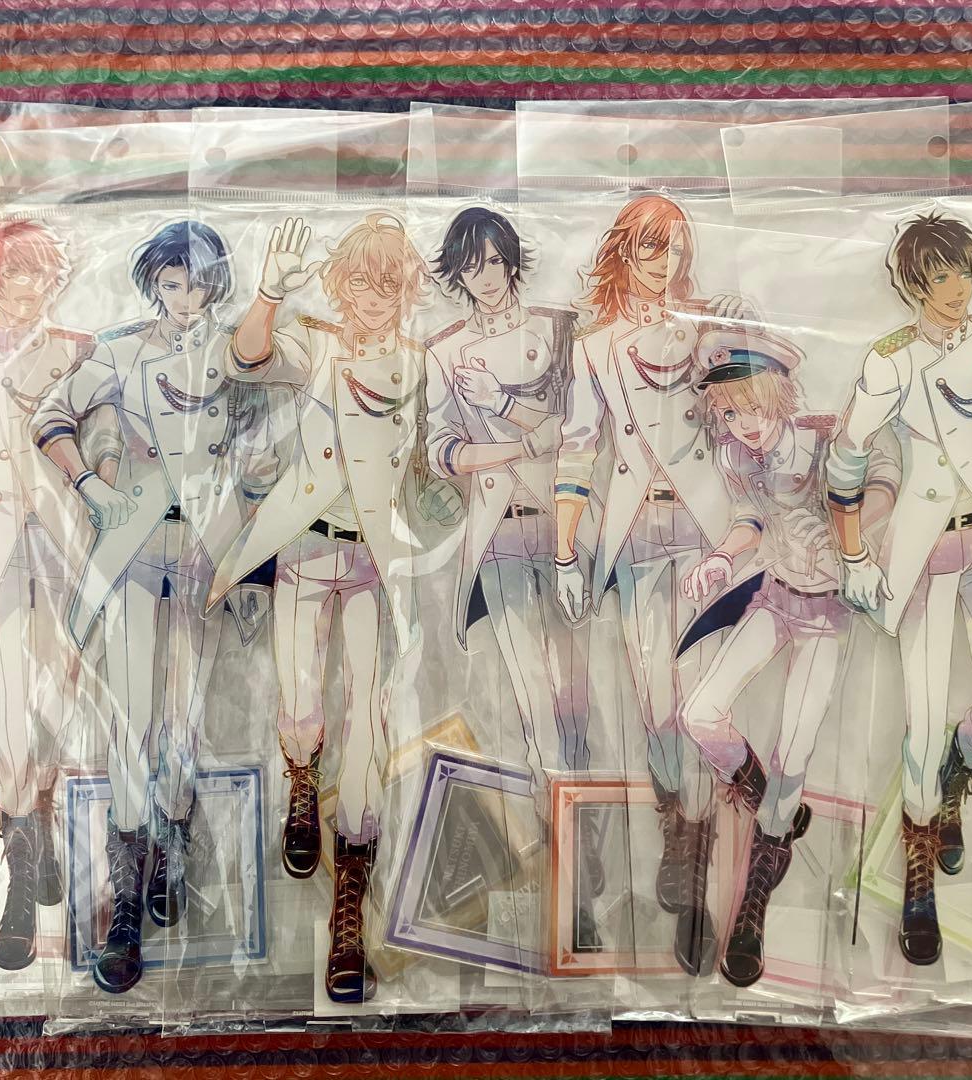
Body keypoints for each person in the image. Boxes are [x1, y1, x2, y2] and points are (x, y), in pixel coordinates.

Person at [210, 213, 458, 1004]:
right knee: (300, 697)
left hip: (377, 561)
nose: (374, 296)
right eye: (360, 280)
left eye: (388, 283)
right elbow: (248, 359)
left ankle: (352, 877)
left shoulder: (419, 362)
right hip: (306, 547)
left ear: (405, 289)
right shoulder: (316, 346)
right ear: (338, 283)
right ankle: (300, 777)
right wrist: (266, 296)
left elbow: (432, 458)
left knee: (370, 721)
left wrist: (449, 499)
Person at [32, 220, 274, 993]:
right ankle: (127, 900)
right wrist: (88, 486)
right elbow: (49, 416)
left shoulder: (237, 354)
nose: (185, 298)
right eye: (171, 284)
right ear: (153, 286)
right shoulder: (121, 350)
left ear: (215, 286)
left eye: (197, 284)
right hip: (135, 551)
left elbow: (262, 463)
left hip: (206, 554)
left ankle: (172, 842)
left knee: (185, 715)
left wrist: (252, 564)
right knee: (131, 719)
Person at [552, 194, 752, 974]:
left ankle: (698, 842)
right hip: (635, 530)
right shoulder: (595, 344)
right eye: (651, 250)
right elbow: (578, 449)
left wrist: (737, 342)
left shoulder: (705, 328)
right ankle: (678, 817)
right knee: (653, 694)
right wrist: (564, 553)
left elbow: (745, 411)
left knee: (701, 691)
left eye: (676, 251)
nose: (666, 265)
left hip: (706, 527)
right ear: (623, 253)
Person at [825, 211, 972, 966]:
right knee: (925, 714)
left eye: (963, 272)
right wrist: (852, 552)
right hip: (926, 550)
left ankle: (951, 780)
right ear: (913, 283)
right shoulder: (892, 360)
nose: (956, 288)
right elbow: (846, 455)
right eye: (939, 276)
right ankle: (918, 869)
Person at [680, 325, 898, 986]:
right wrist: (721, 559)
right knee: (699, 714)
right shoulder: (735, 456)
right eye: (729, 414)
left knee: (794, 750)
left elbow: (881, 482)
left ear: (779, 393)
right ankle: (767, 799)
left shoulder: (826, 438)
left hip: (827, 616)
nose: (742, 425)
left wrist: (853, 529)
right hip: (773, 599)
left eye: (751, 407)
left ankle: (757, 889)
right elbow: (749, 519)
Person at [0, 218, 120, 971]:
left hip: (68, 551)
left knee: (58, 704)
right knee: (10, 710)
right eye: (16, 273)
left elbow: (109, 436)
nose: (30, 287)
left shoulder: (78, 351)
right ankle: (21, 868)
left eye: (41, 272)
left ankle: (37, 823)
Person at [424, 206, 591, 786]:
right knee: (530, 683)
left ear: (512, 261)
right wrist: (520, 446)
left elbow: (574, 429)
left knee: (576, 682)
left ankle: (580, 801)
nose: (487, 278)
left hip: (565, 522)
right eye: (473, 268)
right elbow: (441, 452)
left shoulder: (557, 328)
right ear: (458, 275)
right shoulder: (444, 350)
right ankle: (553, 801)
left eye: (495, 262)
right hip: (498, 530)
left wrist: (499, 403)